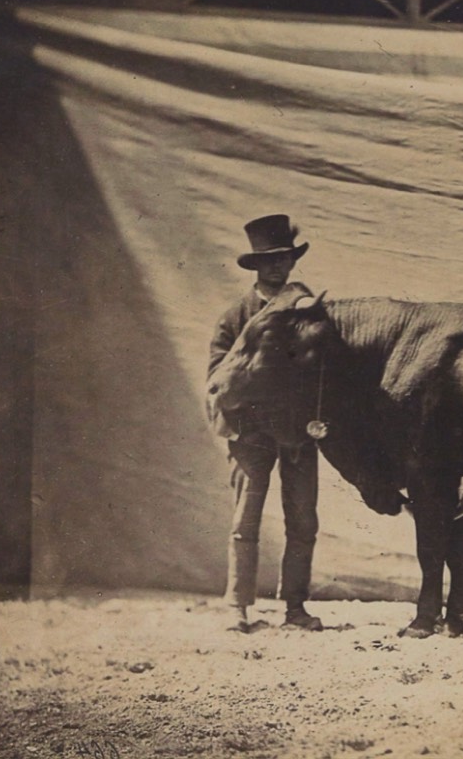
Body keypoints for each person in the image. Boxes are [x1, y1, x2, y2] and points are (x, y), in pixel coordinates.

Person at [208, 214, 323, 633]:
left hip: (297, 431)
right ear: (256, 265)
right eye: (270, 259)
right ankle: (236, 607)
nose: (279, 266)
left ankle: (295, 607)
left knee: (303, 520)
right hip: (251, 432)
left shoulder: (309, 309)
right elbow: (217, 378)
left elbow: (324, 370)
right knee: (245, 520)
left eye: (285, 258)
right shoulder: (235, 317)